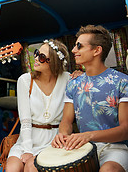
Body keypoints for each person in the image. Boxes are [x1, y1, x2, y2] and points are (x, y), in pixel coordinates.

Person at [52, 25, 128, 172]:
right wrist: (62, 134)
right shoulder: (73, 84)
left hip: (116, 148)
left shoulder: (122, 82)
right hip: (83, 148)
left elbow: (125, 130)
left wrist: (89, 135)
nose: (74, 50)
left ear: (97, 50)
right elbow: (66, 121)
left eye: (79, 46)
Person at [6, 39, 71, 172]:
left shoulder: (68, 80)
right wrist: (28, 150)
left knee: (32, 167)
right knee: (12, 168)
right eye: (36, 53)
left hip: (54, 139)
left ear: (54, 62)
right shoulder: (25, 80)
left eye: (41, 57)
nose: (35, 58)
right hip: (28, 137)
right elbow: (25, 121)